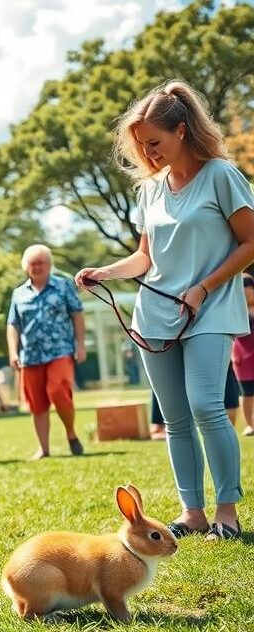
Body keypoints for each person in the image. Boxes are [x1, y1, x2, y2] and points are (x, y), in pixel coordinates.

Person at [75, 80, 254, 541]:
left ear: (181, 130)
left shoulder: (221, 175)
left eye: (153, 142)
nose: (147, 153)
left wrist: (204, 287)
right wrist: (106, 272)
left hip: (209, 309)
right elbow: (145, 257)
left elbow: (250, 242)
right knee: (174, 418)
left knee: (207, 406)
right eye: (141, 145)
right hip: (155, 314)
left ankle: (227, 512)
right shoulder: (150, 190)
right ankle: (192, 513)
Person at [7, 244, 86, 460]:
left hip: (60, 350)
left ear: (50, 265)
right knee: (37, 403)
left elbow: (77, 314)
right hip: (30, 355)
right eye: (33, 263)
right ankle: (44, 448)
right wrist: (13, 352)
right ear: (26, 267)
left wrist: (80, 345)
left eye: (41, 263)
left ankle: (71, 432)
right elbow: (13, 324)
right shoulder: (18, 294)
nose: (37, 267)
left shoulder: (63, 286)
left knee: (58, 390)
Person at [232, 273, 254, 436]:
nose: (247, 291)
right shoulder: (235, 310)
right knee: (247, 392)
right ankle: (250, 425)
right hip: (242, 356)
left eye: (249, 287)